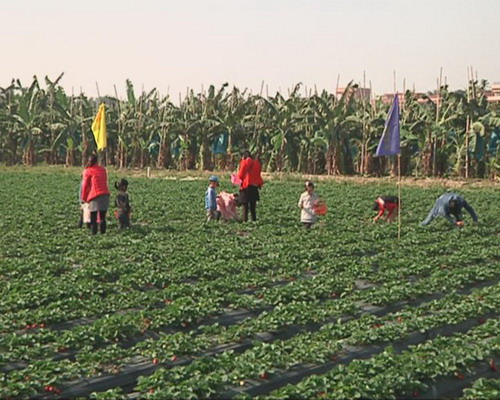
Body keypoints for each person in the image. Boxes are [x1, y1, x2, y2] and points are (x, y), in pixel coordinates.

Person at [81, 154, 110, 234]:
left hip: (94, 196)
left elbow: (85, 186)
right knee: (102, 217)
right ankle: (103, 234)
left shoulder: (87, 171)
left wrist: (84, 198)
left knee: (93, 218)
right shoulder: (103, 170)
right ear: (97, 161)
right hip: (105, 195)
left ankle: (94, 235)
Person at [237, 151, 264, 222]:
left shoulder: (244, 162)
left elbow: (240, 175)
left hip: (246, 186)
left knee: (245, 206)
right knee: (253, 206)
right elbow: (258, 174)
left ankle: (245, 220)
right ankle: (254, 220)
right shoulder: (256, 163)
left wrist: (242, 161)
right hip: (254, 186)